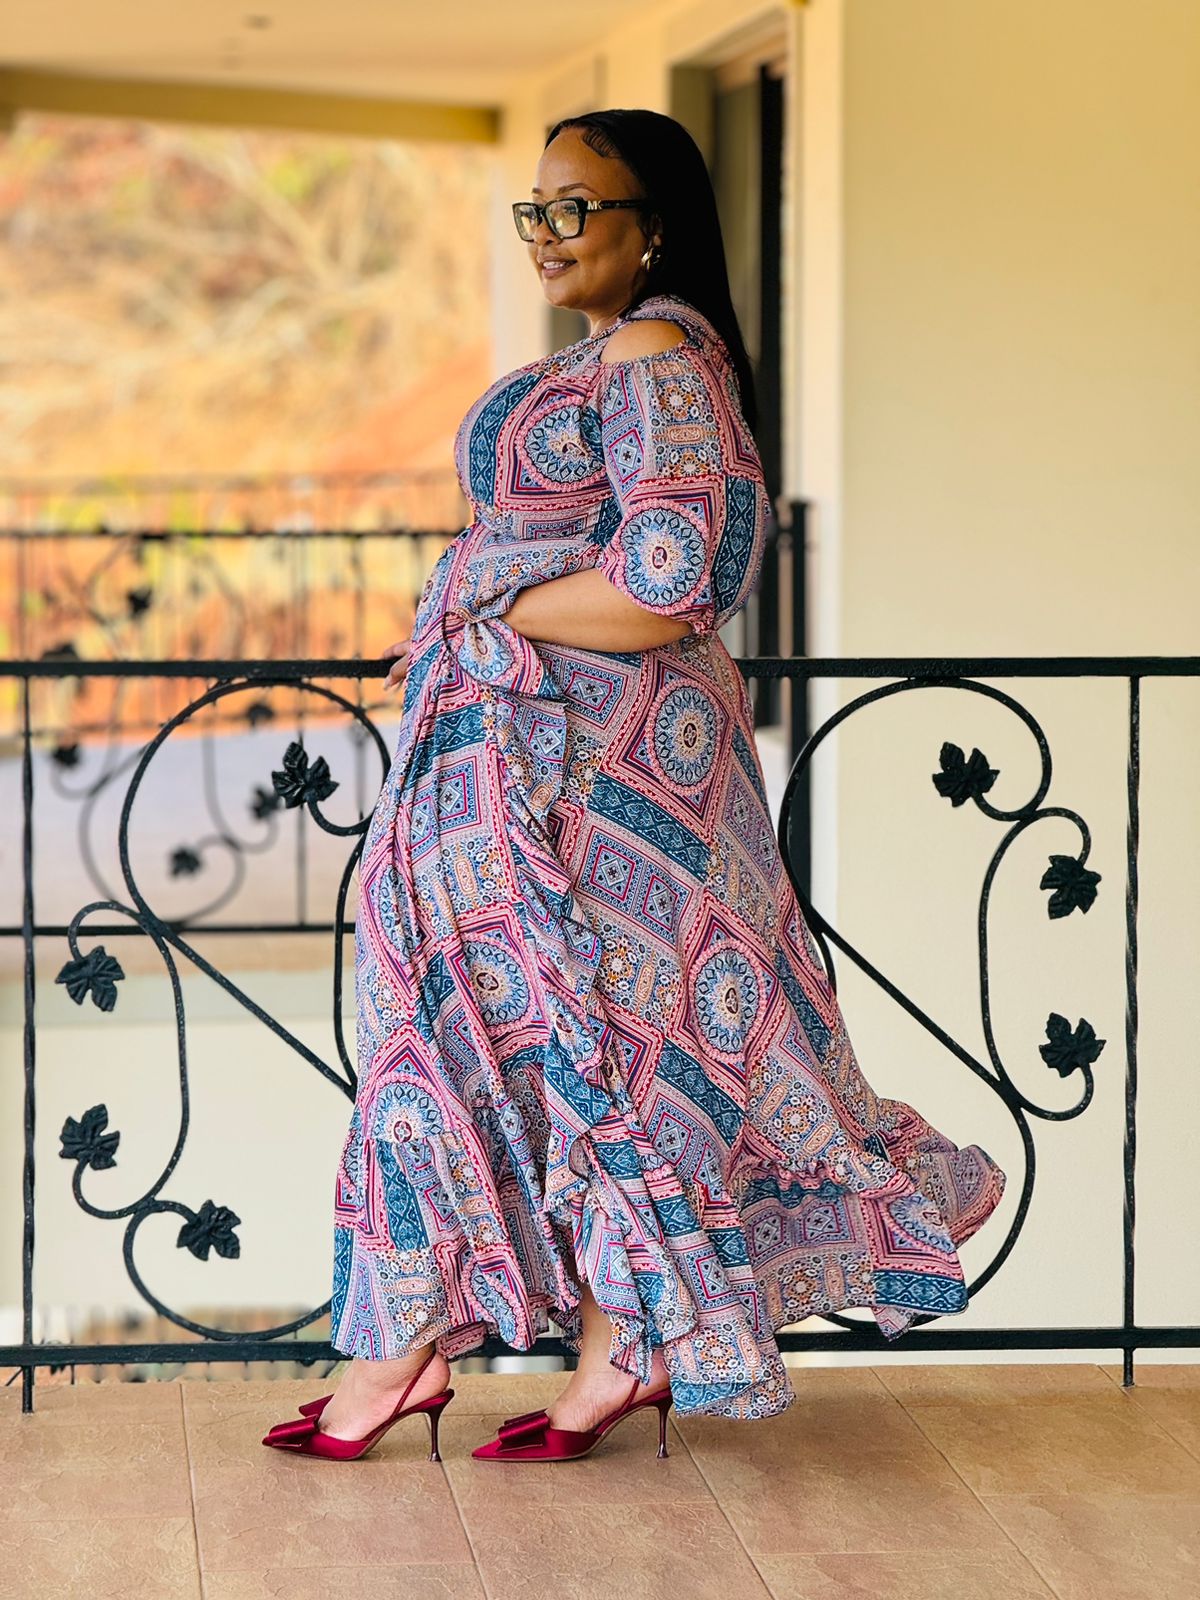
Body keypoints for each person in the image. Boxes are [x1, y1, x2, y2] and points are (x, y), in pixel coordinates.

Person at [263, 109, 1006, 1466]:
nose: (548, 235)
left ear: (652, 224)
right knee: (554, 1037)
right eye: (534, 210)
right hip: (553, 760)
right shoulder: (617, 354)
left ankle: (435, 1353)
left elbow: (672, 583)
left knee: (581, 1038)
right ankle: (562, 1351)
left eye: (577, 208)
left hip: (607, 776)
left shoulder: (659, 354)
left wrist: (484, 598)